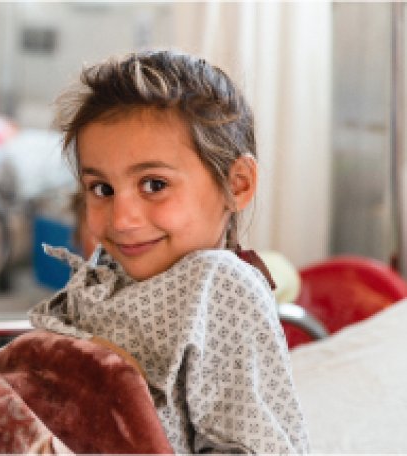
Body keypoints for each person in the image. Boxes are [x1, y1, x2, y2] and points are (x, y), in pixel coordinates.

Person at [29, 50, 310, 453]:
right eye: (102, 189)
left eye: (154, 185)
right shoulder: (108, 271)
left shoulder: (219, 288)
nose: (122, 220)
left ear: (238, 184)